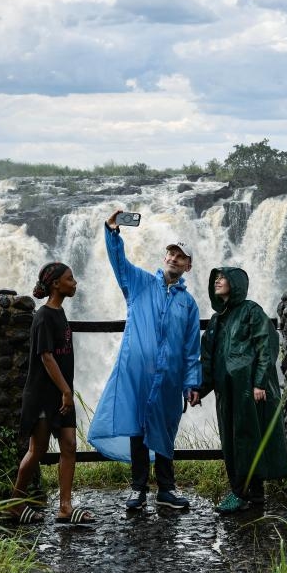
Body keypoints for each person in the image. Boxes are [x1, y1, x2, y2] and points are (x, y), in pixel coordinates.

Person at [87, 210, 202, 511]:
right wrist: (113, 233)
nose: (174, 258)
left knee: (165, 428)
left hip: (170, 377)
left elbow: (192, 348)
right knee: (138, 430)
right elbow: (120, 265)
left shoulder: (188, 304)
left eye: (181, 256)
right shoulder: (139, 284)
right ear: (165, 257)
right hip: (137, 373)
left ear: (188, 265)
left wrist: (192, 382)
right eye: (171, 253)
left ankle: (166, 489)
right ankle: (138, 488)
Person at [10, 262, 95, 525]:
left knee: (69, 445)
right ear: (56, 284)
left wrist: (66, 392)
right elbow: (46, 357)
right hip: (45, 394)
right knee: (37, 449)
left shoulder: (59, 313)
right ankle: (15, 502)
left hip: (61, 394)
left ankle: (65, 507)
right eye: (70, 278)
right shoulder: (44, 316)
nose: (75, 282)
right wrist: (66, 390)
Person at [199, 267, 287, 514]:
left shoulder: (251, 311)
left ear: (236, 283)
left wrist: (259, 382)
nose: (217, 280)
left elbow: (266, 344)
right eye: (215, 277)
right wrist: (200, 388)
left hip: (248, 389)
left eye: (223, 277)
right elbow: (208, 358)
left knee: (249, 438)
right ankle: (243, 493)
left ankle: (248, 495)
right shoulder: (217, 320)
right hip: (225, 391)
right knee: (231, 440)